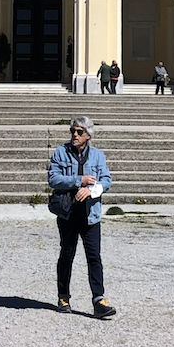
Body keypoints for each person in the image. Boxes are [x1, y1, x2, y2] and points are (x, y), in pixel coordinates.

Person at [47, 116, 116, 318]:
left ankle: (98, 300)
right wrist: (79, 180)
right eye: (72, 131)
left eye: (79, 132)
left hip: (90, 215)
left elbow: (107, 180)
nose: (74, 135)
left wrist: (91, 190)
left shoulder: (97, 156)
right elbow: (53, 178)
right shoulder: (60, 152)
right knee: (67, 254)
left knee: (94, 257)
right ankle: (63, 296)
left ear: (88, 135)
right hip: (68, 214)